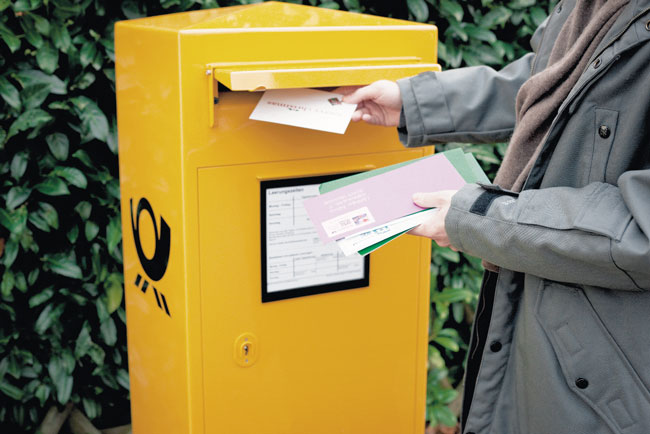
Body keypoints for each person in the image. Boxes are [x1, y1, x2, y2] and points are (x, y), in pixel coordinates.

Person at [342, 1, 650, 433]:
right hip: (543, 317)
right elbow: (553, 81)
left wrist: (481, 217)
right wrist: (414, 103)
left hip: (613, 371)